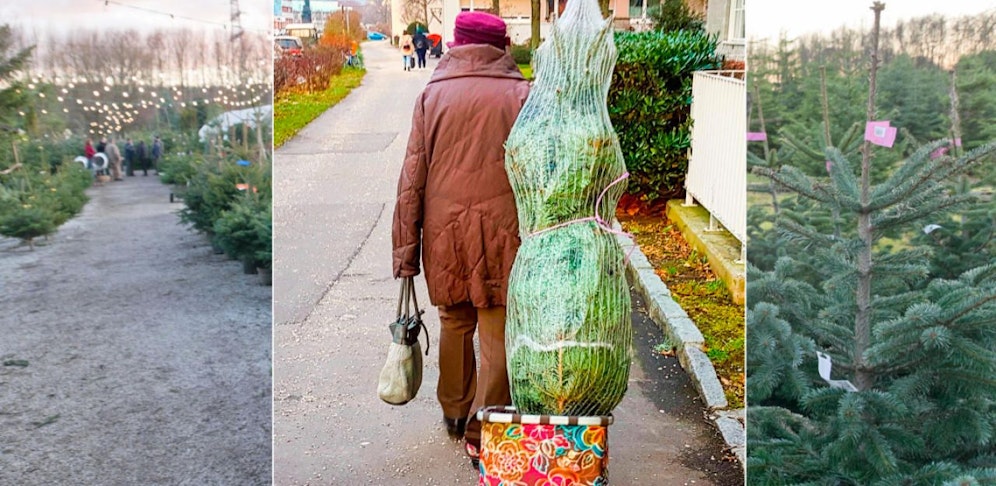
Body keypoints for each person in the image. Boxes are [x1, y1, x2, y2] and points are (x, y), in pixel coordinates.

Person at [392, 11, 529, 469]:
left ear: (456, 44)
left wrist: (406, 252)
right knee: (495, 328)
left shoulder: (433, 95)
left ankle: (454, 410)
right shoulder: (521, 94)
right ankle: (487, 424)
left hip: (445, 232)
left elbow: (412, 178)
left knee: (454, 321)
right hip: (504, 230)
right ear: (500, 46)